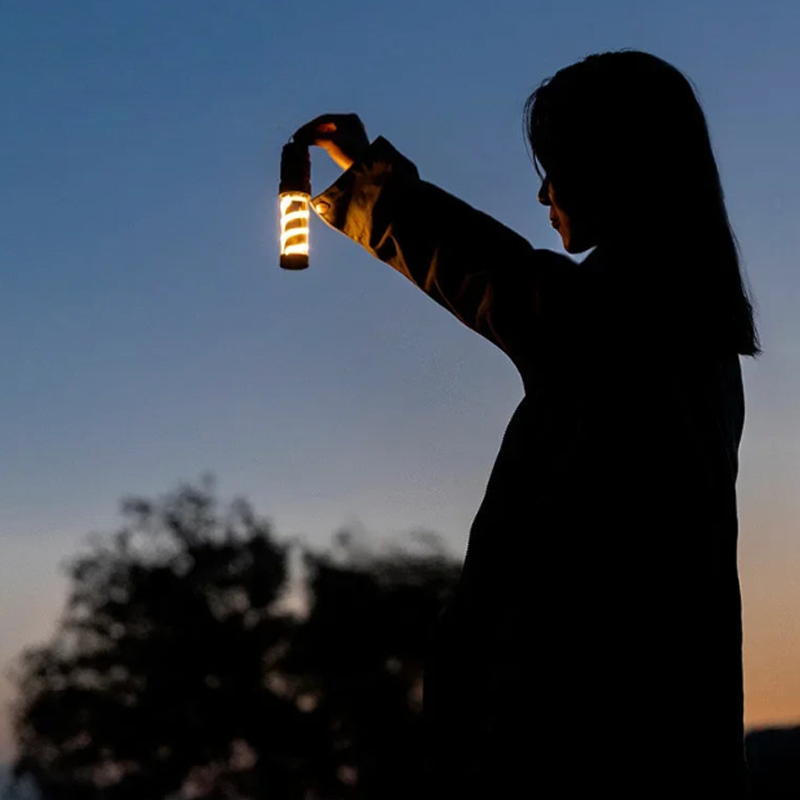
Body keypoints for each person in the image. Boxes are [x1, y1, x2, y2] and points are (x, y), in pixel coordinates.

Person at [293, 49, 760, 798]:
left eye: (557, 165)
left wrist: (374, 185)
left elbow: (494, 275)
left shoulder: (625, 327)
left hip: (575, 749)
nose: (543, 190)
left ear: (616, 169)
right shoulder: (692, 339)